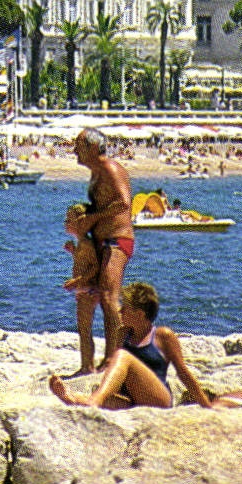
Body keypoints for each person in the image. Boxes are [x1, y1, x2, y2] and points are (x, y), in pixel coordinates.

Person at [49, 281, 212, 411]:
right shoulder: (123, 334)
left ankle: (93, 401)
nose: (120, 311)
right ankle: (78, 400)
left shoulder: (163, 336)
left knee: (123, 356)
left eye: (125, 308)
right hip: (131, 398)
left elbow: (183, 373)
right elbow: (116, 372)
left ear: (139, 314)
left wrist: (206, 405)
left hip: (157, 397)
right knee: (108, 397)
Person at [68, 128, 135, 373]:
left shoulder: (110, 169)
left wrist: (92, 218)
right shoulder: (96, 173)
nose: (74, 150)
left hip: (117, 240)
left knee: (109, 297)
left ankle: (114, 359)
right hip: (101, 241)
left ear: (94, 147)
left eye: (79, 145)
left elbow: (123, 203)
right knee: (90, 297)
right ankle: (94, 362)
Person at [61, 203, 101, 295]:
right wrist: (73, 251)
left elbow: (97, 266)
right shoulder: (81, 243)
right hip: (84, 291)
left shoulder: (87, 244)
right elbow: (84, 263)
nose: (65, 223)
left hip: (90, 292)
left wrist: (76, 282)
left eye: (68, 220)